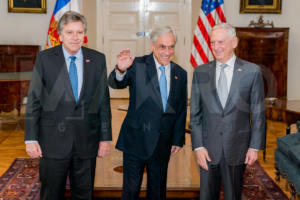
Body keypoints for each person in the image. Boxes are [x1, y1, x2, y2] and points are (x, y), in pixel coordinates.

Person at [24, 11, 112, 200]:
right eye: (70, 32)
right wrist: (31, 138)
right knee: (51, 194)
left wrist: (105, 138)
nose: (75, 37)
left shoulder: (97, 59)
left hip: (86, 142)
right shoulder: (45, 58)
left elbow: (103, 102)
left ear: (84, 35)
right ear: (61, 35)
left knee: (84, 194)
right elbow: (34, 100)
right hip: (52, 141)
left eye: (79, 32)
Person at [108, 26, 187, 200]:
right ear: (152, 46)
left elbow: (180, 109)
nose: (167, 52)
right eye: (162, 46)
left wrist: (177, 139)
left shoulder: (180, 74)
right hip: (136, 140)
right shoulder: (138, 65)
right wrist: (120, 70)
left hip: (162, 142)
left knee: (157, 191)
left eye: (171, 46)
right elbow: (116, 83)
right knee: (131, 190)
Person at [190, 23, 266, 200]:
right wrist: (198, 146)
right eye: (213, 42)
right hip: (207, 148)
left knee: (233, 195)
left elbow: (258, 113)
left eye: (221, 42)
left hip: (237, 146)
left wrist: (254, 146)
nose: (216, 47)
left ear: (234, 42)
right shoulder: (200, 72)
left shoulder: (251, 72)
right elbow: (195, 114)